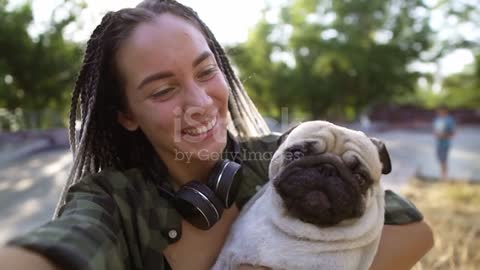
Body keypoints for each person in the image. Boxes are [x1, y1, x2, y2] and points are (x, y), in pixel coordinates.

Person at [0, 1, 433, 269]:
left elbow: (415, 231)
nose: (201, 102)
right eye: (164, 89)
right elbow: (68, 244)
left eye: (207, 72)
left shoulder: (279, 156)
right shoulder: (111, 202)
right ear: (127, 115)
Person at [433, 105, 456, 180]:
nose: (439, 112)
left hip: (445, 143)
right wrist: (436, 134)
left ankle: (444, 177)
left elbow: (453, 133)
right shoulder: (437, 119)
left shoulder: (449, 120)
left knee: (444, 160)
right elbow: (435, 130)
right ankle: (442, 175)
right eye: (438, 110)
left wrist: (443, 135)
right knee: (439, 158)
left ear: (445, 110)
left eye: (441, 110)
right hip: (438, 143)